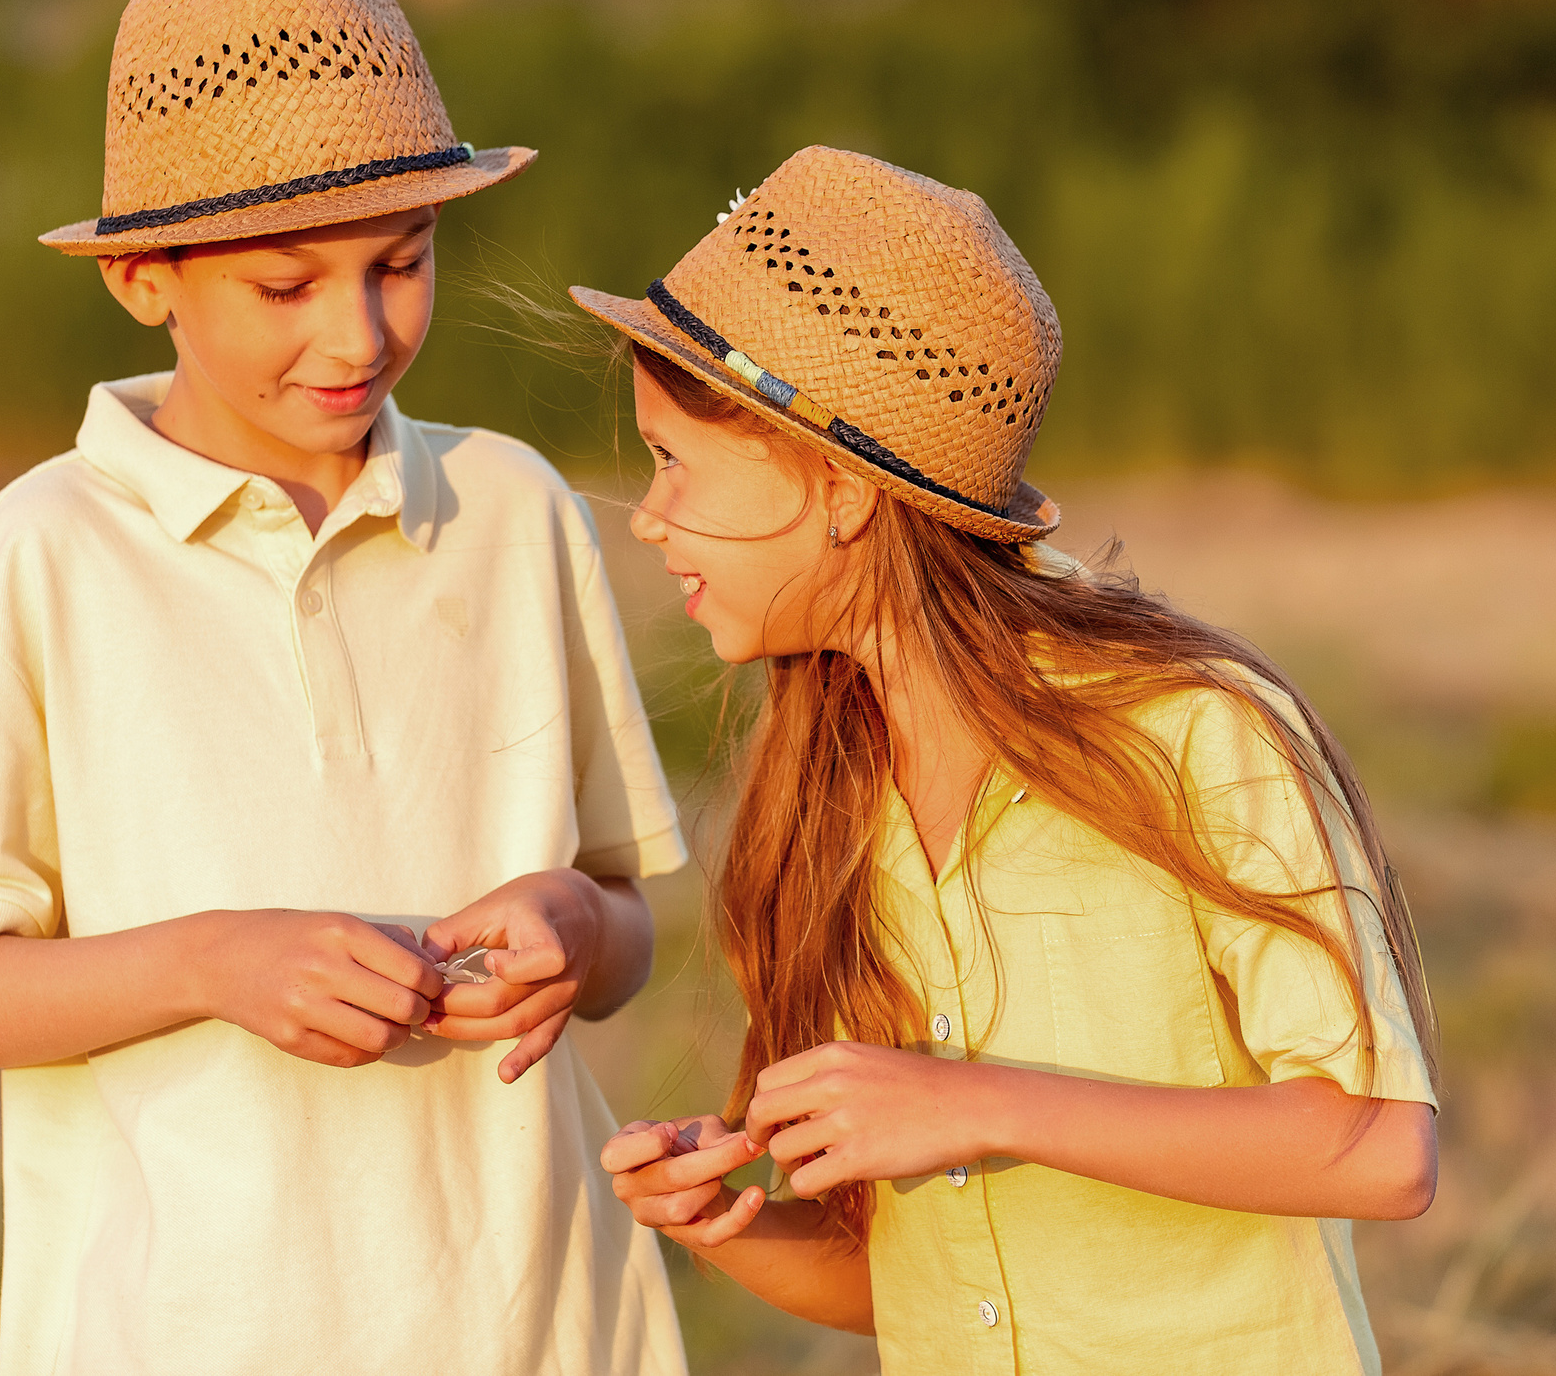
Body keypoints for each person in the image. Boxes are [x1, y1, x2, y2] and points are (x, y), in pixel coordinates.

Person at [0, 0, 689, 1376]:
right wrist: (216, 960)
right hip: (188, 1330)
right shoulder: (36, 557)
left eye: (402, 263)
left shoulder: (512, 509)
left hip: (537, 1315)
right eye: (287, 284)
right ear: (142, 278)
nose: (357, 332)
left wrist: (568, 923)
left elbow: (624, 926)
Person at [579, 146, 1440, 1374]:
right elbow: (929, 1284)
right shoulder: (824, 778)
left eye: (672, 462)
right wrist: (727, 1224)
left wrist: (969, 1101)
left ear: (837, 490)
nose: (648, 517)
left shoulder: (1193, 725)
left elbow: (1381, 1148)